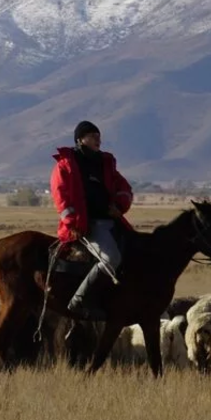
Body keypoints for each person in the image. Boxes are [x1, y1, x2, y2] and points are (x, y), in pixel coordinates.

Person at [51, 120, 134, 321]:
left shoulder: (105, 163)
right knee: (111, 258)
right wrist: (73, 224)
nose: (98, 139)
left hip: (112, 221)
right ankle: (79, 300)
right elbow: (61, 198)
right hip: (88, 225)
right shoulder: (66, 166)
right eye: (92, 135)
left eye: (98, 135)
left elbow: (124, 187)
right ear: (80, 139)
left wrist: (120, 206)